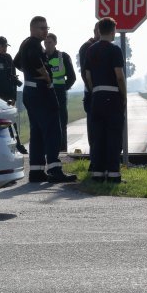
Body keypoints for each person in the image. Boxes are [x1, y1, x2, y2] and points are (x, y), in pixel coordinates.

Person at [13, 16, 77, 183]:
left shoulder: (25, 43)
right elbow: (34, 59)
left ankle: (36, 170)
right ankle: (54, 169)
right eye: (41, 28)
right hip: (40, 91)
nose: (45, 31)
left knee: (38, 132)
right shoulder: (34, 44)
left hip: (30, 90)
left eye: (46, 28)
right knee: (52, 130)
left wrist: (29, 72)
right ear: (33, 28)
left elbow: (17, 61)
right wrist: (45, 75)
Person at [84, 17, 127, 183]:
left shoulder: (90, 50)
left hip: (96, 96)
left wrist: (95, 89)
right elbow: (119, 76)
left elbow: (87, 75)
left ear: (99, 30)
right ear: (113, 30)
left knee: (98, 137)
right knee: (113, 136)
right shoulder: (114, 50)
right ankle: (113, 174)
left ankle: (98, 173)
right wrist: (123, 96)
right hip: (112, 95)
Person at [43, 33, 76, 152]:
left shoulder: (63, 57)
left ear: (55, 43)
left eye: (50, 42)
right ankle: (47, 150)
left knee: (61, 122)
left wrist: (64, 87)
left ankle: (62, 150)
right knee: (46, 123)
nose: (47, 45)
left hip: (60, 93)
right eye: (45, 43)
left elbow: (72, 77)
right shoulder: (41, 57)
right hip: (45, 93)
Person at [78, 23, 101, 155]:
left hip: (102, 92)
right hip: (92, 93)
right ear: (95, 31)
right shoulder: (87, 47)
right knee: (93, 128)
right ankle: (94, 158)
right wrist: (92, 90)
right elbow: (84, 73)